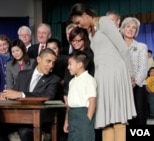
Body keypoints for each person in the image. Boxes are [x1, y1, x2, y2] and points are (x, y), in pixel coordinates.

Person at [69, 3, 136, 141]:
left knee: (118, 117)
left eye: (78, 21)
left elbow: (122, 48)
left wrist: (131, 73)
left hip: (114, 72)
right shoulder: (91, 30)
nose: (79, 25)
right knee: (106, 118)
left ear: (85, 15)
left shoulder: (104, 22)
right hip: (102, 75)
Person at [0, 48, 61, 141]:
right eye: (48, 61)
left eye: (53, 62)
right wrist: (5, 97)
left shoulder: (54, 79)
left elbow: (48, 96)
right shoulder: (22, 74)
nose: (51, 65)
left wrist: (21, 94)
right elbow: (13, 94)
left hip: (36, 121)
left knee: (24, 132)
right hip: (17, 119)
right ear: (39, 59)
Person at [121, 17, 148, 125]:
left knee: (139, 118)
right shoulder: (116, 47)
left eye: (134, 28)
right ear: (122, 29)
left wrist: (134, 83)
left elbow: (143, 68)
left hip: (138, 86)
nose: (131, 29)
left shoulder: (141, 47)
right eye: (128, 26)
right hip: (121, 86)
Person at [63, 51, 97, 141]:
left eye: (70, 64)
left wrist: (88, 119)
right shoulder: (72, 81)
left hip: (83, 115)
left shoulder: (89, 80)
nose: (68, 67)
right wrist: (66, 121)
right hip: (72, 115)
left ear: (80, 65)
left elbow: (92, 102)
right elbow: (69, 105)